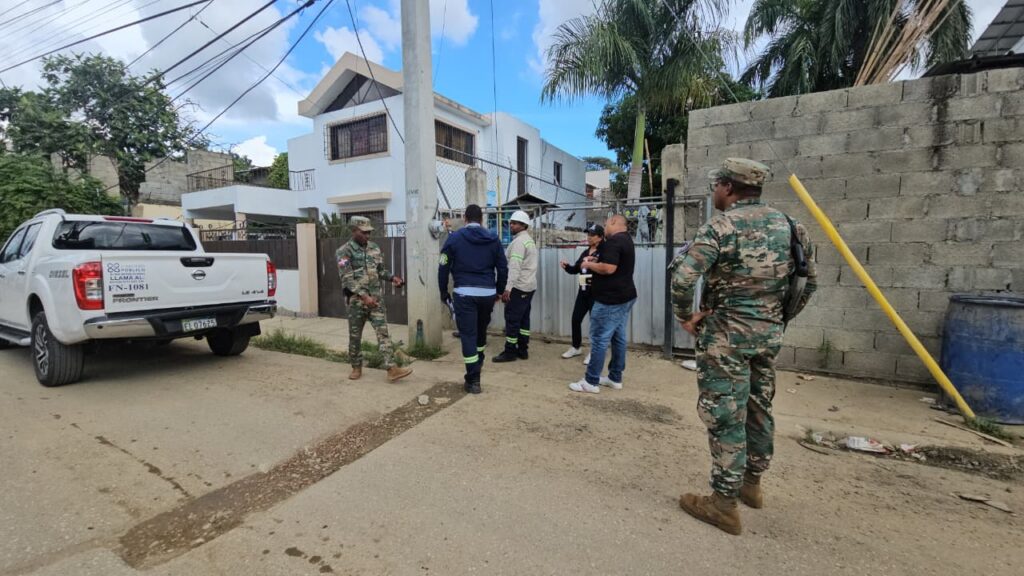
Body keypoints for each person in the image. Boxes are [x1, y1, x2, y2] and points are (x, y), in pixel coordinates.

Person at [670, 158, 817, 536]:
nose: (714, 192)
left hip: (726, 338)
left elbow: (683, 278)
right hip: (768, 337)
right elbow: (809, 282)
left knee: (725, 414)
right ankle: (752, 484)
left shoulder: (721, 226)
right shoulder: (791, 226)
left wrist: (686, 317)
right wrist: (777, 318)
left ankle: (723, 504)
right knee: (758, 406)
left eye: (716, 186)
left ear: (728, 188)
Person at [438, 204, 508, 394]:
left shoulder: (454, 239)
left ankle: (473, 379)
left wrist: (443, 291)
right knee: (480, 332)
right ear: (482, 219)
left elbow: (443, 266)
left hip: (464, 294)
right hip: (487, 294)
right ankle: (478, 364)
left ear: (465, 218)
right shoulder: (493, 239)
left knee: (468, 335)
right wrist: (499, 291)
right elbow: (503, 267)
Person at [336, 216, 413, 383]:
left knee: (383, 334)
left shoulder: (374, 248)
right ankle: (356, 367)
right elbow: (347, 279)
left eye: (369, 232)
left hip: (376, 300)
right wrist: (364, 297)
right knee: (355, 336)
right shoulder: (343, 252)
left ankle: (391, 369)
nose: (367, 235)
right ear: (354, 231)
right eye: (364, 232)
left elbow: (380, 270)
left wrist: (392, 278)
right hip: (356, 302)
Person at [568, 214, 636, 393]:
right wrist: (596, 261)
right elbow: (613, 263)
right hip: (624, 297)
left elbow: (609, 268)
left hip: (610, 300)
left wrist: (589, 265)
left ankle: (590, 381)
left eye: (605, 225)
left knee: (599, 339)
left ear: (613, 222)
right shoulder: (626, 239)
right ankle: (615, 377)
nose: (604, 228)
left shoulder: (613, 241)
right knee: (618, 337)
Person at [493, 210, 537, 363]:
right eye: (511, 222)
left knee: (512, 319)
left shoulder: (519, 242)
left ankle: (510, 352)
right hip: (529, 286)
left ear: (523, 225)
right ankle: (523, 350)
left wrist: (508, 288)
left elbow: (514, 267)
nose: (511, 225)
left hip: (518, 287)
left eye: (515, 223)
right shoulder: (528, 240)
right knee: (524, 319)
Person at [559, 223, 604, 361]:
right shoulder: (585, 252)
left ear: (600, 237)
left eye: (592, 235)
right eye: (588, 234)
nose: (589, 237)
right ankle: (576, 347)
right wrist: (567, 267)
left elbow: (605, 269)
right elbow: (576, 269)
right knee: (576, 319)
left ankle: (594, 352)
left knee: (595, 324)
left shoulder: (604, 252)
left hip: (596, 293)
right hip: (583, 291)